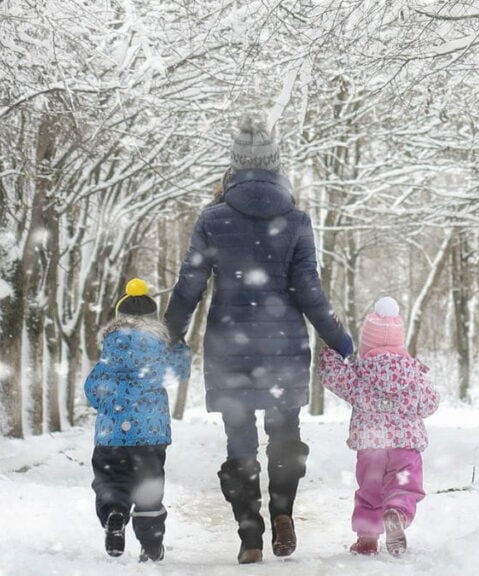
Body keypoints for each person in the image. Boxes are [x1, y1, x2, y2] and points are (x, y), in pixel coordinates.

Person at [165, 115, 353, 564]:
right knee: (285, 432)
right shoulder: (296, 221)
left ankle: (250, 535)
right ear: (276, 166)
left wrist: (169, 334)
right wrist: (339, 339)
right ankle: (283, 510)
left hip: (229, 346)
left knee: (239, 439)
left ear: (234, 166)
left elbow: (190, 283)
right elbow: (308, 290)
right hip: (283, 346)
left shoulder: (212, 219)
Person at [318, 296, 440, 557]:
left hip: (371, 445)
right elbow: (429, 404)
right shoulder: (413, 373)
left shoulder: (360, 371)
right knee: (405, 485)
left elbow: (334, 378)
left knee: (370, 490)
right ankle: (397, 511)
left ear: (366, 342)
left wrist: (330, 355)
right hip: (405, 447)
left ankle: (367, 539)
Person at [84, 278, 190, 562]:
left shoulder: (109, 348)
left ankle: (115, 514)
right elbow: (179, 372)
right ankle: (152, 544)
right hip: (150, 434)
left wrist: (109, 406)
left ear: (120, 316)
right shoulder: (162, 347)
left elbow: (92, 389)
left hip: (111, 434)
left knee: (111, 481)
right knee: (148, 489)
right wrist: (179, 344)